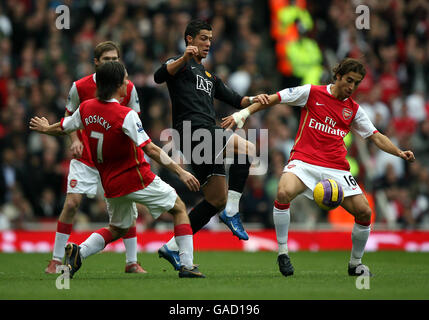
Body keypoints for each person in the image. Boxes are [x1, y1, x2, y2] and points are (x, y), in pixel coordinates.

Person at [222, 58, 415, 276]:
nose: (351, 87)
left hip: (337, 168)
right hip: (304, 162)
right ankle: (283, 253)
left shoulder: (354, 110)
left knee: (364, 212)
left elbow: (376, 136)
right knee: (283, 192)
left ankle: (355, 264)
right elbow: (273, 99)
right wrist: (244, 113)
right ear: (338, 76)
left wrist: (398, 152)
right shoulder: (311, 92)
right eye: (349, 80)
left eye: (357, 83)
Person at [30, 61, 205, 279]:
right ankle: (187, 265)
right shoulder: (125, 115)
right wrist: (182, 171)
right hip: (136, 177)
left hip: (111, 184)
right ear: (116, 85)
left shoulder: (86, 108)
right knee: (179, 208)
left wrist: (46, 128)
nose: (127, 84)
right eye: (125, 80)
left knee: (118, 228)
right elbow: (149, 148)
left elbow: (65, 126)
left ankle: (79, 252)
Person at [153, 19, 266, 270]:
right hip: (193, 131)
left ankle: (172, 247)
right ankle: (233, 212)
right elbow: (159, 76)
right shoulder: (178, 65)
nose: (207, 44)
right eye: (203, 38)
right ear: (189, 39)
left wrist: (254, 99)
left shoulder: (210, 77)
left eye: (210, 40)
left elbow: (237, 100)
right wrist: (184, 58)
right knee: (247, 149)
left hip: (202, 135)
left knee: (215, 199)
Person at [44, 41, 146, 274]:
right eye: (107, 59)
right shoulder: (79, 87)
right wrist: (76, 140)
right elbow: (69, 120)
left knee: (126, 206)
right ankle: (56, 259)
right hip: (87, 157)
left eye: (115, 59)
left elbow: (134, 123)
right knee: (72, 203)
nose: (112, 63)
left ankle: (131, 262)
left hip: (116, 159)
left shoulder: (128, 88)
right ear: (96, 62)